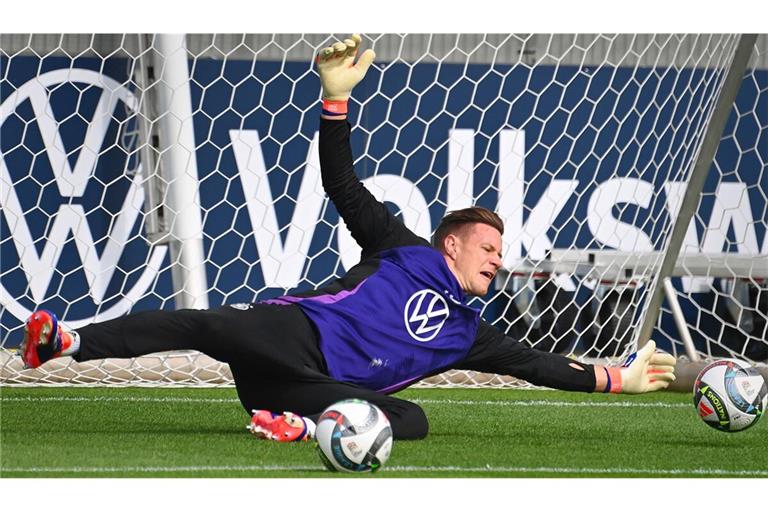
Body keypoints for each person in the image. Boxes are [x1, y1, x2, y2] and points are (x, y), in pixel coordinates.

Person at [19, 34, 677, 442]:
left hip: (300, 390)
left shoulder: (468, 334)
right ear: (451, 244)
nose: (497, 263)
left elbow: (540, 368)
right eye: (488, 249)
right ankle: (68, 341)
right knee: (209, 325)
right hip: (289, 336)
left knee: (412, 422)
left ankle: (298, 426)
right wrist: (335, 101)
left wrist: (616, 381)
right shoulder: (404, 248)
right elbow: (342, 182)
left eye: (500, 253)